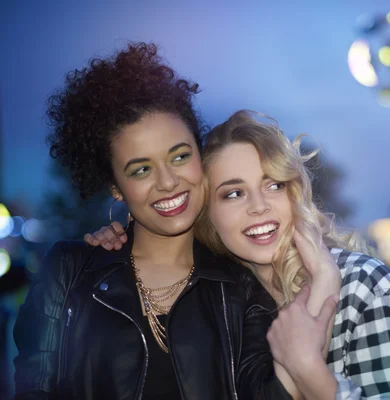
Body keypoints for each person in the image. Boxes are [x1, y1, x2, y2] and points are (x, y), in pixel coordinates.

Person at [91, 110, 390, 399]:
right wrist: (123, 240)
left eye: (274, 185)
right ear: (208, 213)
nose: (259, 206)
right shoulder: (233, 305)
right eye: (233, 193)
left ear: (295, 193)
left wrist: (309, 367)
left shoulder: (363, 285)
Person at [12, 43, 294, 400]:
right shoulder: (69, 271)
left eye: (179, 156)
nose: (167, 182)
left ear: (200, 157)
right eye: (141, 169)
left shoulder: (242, 283)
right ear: (116, 186)